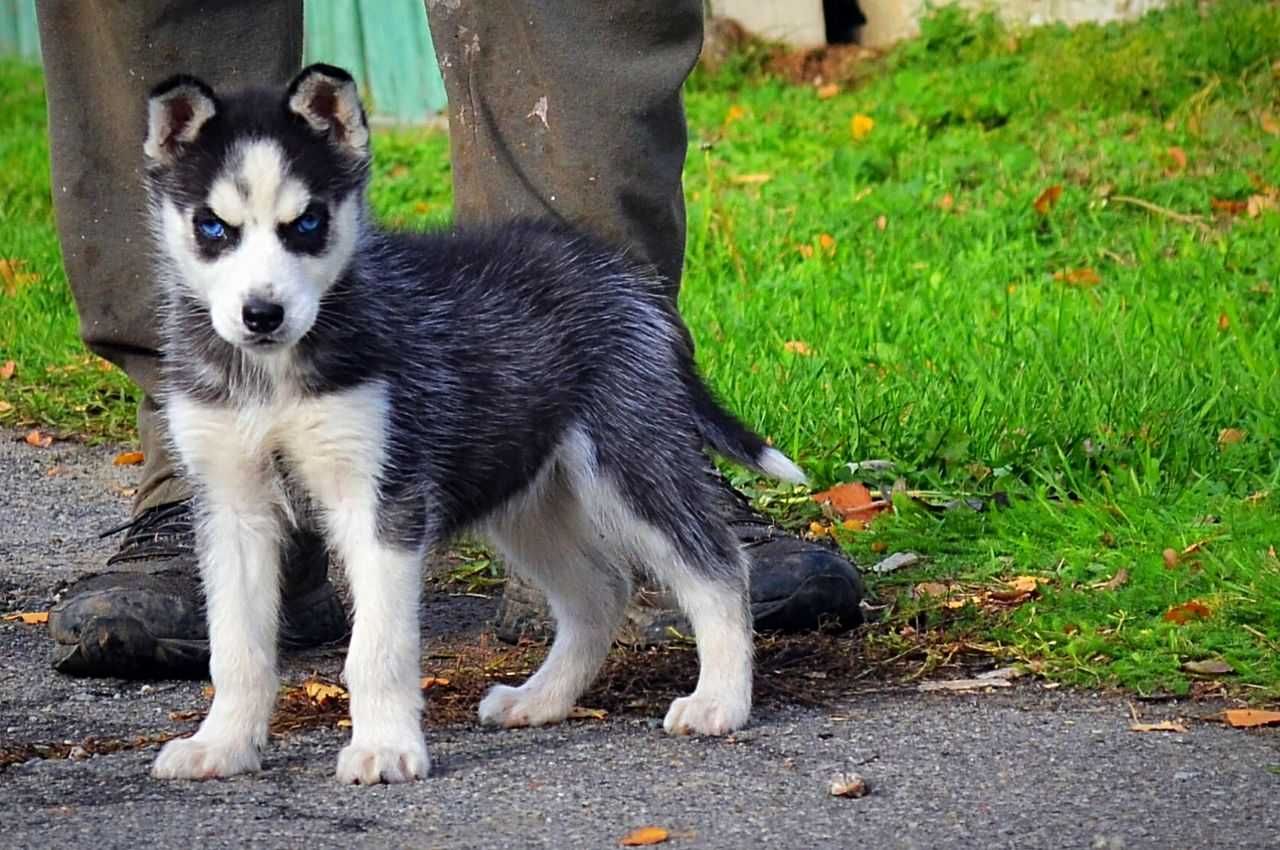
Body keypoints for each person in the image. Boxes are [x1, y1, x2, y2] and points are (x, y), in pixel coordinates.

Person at [35, 0, 864, 678]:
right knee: (239, 501)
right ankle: (204, 544)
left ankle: (658, 486)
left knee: (516, 440)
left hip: (546, 333)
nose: (263, 283)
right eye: (218, 232)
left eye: (303, 229)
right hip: (229, 383)